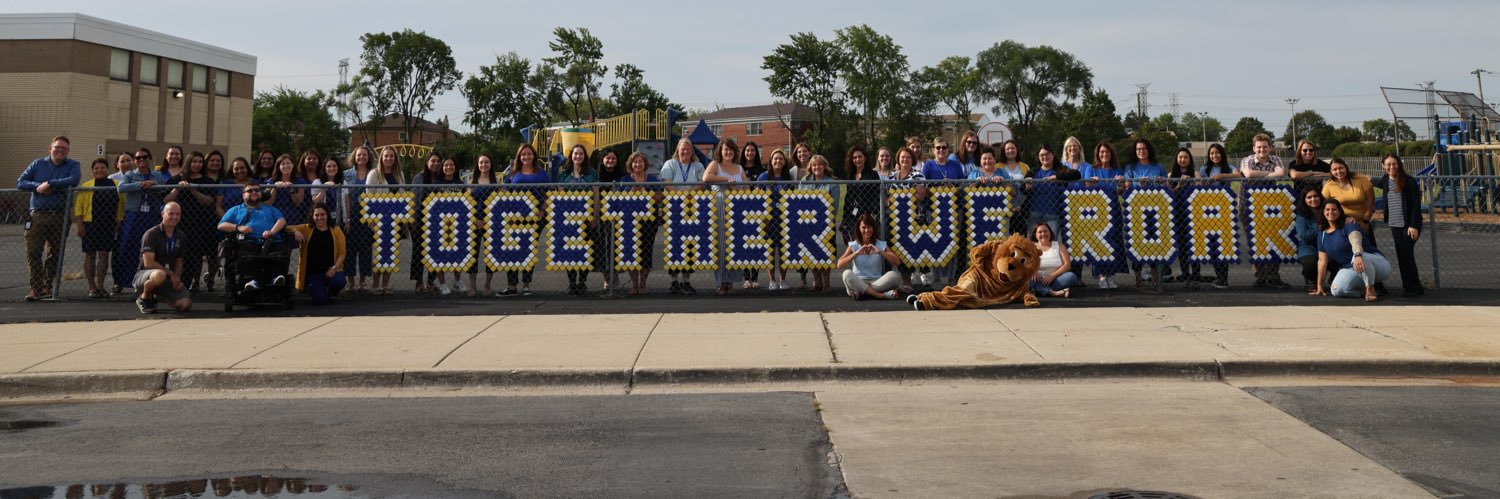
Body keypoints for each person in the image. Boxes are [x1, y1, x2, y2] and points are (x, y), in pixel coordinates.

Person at [17, 136, 82, 301]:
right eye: (57, 147)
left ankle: (47, 286)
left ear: (68, 151)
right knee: (33, 251)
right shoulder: (38, 164)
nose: (60, 150)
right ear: (50, 148)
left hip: (60, 216)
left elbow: (73, 180)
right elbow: (21, 182)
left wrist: (50, 184)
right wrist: (38, 187)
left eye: (64, 148)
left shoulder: (73, 165)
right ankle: (36, 288)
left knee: (55, 253)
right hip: (37, 216)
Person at [116, 147, 170, 297]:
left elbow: (163, 191)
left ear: (149, 159)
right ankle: (130, 281)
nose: (141, 160)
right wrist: (140, 185)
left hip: (151, 214)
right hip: (134, 215)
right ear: (135, 161)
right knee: (129, 246)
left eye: (144, 157)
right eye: (138, 158)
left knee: (151, 248)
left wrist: (154, 185)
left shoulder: (157, 175)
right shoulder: (130, 174)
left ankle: (151, 280)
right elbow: (121, 188)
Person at [1239, 133, 1290, 289]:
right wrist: (1269, 174)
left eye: (1265, 147)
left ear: (1270, 148)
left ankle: (1273, 276)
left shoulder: (1276, 159)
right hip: (1249, 207)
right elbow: (1248, 174)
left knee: (1274, 239)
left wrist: (1261, 175)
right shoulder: (1247, 160)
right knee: (1255, 241)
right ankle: (1260, 276)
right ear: (1254, 148)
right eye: (1259, 147)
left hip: (1270, 207)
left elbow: (1281, 174)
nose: (1262, 150)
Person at [1313, 200, 1390, 302]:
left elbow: (1355, 240)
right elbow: (1322, 261)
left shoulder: (1349, 225)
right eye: (1327, 210)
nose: (1330, 212)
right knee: (1337, 290)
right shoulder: (1322, 234)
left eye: (1334, 209)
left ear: (1340, 212)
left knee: (1356, 257)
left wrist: (1358, 254)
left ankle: (1370, 288)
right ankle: (1363, 292)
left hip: (1377, 264)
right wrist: (1319, 285)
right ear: (1323, 212)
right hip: (1352, 268)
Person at [164, 151, 220, 292]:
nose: (197, 164)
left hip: (203, 224)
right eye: (194, 161)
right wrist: (178, 187)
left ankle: (199, 283)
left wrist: (194, 190)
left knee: (200, 255)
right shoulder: (175, 179)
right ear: (188, 162)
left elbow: (209, 202)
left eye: (200, 162)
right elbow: (165, 200)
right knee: (181, 256)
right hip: (181, 224)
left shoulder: (208, 181)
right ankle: (180, 284)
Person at [217, 183, 289, 292]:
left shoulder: (271, 209)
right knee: (246, 251)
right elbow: (221, 225)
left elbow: (282, 220)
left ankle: (275, 279)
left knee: (278, 250)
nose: (254, 192)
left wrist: (271, 232)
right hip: (248, 241)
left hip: (271, 240)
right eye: (250, 191)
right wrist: (239, 227)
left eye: (257, 190)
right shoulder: (235, 210)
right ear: (243, 195)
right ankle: (251, 281)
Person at [500, 143, 550, 296]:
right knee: (512, 249)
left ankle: (526, 285)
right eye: (523, 154)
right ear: (519, 157)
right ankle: (512, 285)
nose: (526, 157)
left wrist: (542, 209)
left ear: (534, 156)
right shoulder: (512, 174)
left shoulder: (541, 174)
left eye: (529, 154)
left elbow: (549, 193)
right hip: (515, 218)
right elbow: (504, 193)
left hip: (536, 218)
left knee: (529, 249)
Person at [1373, 154, 1424, 297]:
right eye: (1388, 164)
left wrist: (1413, 224)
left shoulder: (1409, 181)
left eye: (1394, 164)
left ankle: (1413, 288)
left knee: (1407, 256)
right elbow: (1370, 180)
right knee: (1402, 256)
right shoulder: (1384, 180)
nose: (1391, 167)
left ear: (1399, 164)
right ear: (1383, 165)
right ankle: (1412, 287)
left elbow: (1415, 204)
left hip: (1409, 225)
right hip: (1395, 225)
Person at [659, 137, 706, 295]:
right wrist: (685, 194)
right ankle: (674, 280)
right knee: (674, 244)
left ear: (692, 150)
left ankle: (686, 280)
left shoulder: (698, 165)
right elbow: (667, 183)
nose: (685, 151)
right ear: (677, 150)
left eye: (688, 148)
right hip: (674, 210)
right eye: (682, 149)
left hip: (693, 211)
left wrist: (684, 194)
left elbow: (702, 184)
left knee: (690, 245)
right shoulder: (670, 164)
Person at [73, 158, 123, 299]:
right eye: (96, 168)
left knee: (104, 255)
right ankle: (92, 287)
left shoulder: (116, 185)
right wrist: (80, 225)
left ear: (108, 170)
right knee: (90, 255)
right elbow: (78, 208)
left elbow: (120, 206)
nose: (99, 170)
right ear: (92, 170)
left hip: (108, 225)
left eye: (102, 168)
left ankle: (101, 286)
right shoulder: (86, 186)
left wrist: (118, 222)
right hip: (90, 225)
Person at [704, 138, 747, 295]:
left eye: (730, 149)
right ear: (720, 152)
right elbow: (706, 177)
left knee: (734, 248)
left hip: (736, 212)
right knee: (720, 248)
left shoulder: (739, 168)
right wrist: (725, 180)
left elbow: (747, 187)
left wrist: (738, 188)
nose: (728, 152)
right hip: (720, 213)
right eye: (725, 149)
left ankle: (731, 282)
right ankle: (721, 282)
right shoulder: (715, 165)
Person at [1124, 138, 1167, 292]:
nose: (1141, 151)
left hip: (1155, 212)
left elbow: (1166, 187)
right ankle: (1138, 279)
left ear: (1149, 150)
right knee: (1137, 244)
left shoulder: (1158, 167)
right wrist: (1138, 185)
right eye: (1138, 149)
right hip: (1136, 212)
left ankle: (1155, 278)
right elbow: (1126, 188)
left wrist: (1162, 183)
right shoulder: (1131, 168)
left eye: (1143, 148)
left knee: (1154, 244)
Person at [134, 202, 193, 313]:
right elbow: (148, 263)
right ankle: (144, 298)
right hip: (146, 275)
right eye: (171, 213)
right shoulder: (151, 234)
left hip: (167, 279)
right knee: (159, 275)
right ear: (162, 214)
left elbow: (179, 262)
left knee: (185, 304)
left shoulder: (181, 236)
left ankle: (158, 296)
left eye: (178, 214)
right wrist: (171, 274)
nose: (175, 217)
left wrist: (177, 279)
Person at [363, 146, 405, 295]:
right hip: (378, 221)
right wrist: (373, 220)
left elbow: (402, 196)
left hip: (394, 221)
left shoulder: (399, 174)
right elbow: (368, 197)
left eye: (391, 156)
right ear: (381, 157)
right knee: (379, 254)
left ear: (395, 158)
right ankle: (375, 285)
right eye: (386, 156)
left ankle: (385, 285)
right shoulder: (374, 174)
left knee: (391, 254)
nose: (389, 159)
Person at [1198, 143, 1239, 289]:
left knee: (1224, 244)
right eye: (1212, 153)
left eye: (1217, 153)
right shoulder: (1204, 169)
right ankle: (1219, 276)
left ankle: (1223, 278)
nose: (1214, 156)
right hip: (1209, 212)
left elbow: (1238, 175)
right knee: (1213, 244)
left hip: (1225, 212)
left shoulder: (1229, 168)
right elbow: (1200, 183)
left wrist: (1222, 175)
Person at [287, 204, 346, 305]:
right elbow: (286, 227)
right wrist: (295, 231)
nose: (320, 218)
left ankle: (333, 292)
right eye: (316, 215)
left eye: (322, 214)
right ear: (312, 216)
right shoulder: (307, 228)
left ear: (327, 215)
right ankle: (319, 289)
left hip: (331, 270)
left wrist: (334, 268)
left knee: (338, 281)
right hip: (314, 273)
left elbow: (342, 253)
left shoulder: (336, 230)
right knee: (319, 301)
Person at [620, 151, 662, 295]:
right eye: (635, 162)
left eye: (640, 162)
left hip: (649, 222)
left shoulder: (653, 180)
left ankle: (643, 284)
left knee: (646, 251)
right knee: (631, 252)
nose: (638, 164)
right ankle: (634, 285)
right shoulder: (625, 180)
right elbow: (618, 200)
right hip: (628, 223)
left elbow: (660, 197)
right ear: (631, 164)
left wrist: (645, 192)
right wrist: (631, 192)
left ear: (645, 164)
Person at [559, 144, 598, 296]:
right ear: (571, 156)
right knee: (570, 251)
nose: (578, 156)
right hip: (570, 219)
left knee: (585, 250)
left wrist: (595, 215)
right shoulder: (564, 174)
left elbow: (596, 194)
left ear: (584, 156)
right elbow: (561, 195)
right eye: (576, 154)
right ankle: (571, 282)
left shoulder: (591, 173)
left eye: (581, 154)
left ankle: (582, 281)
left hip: (586, 218)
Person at [1086, 141, 1126, 290]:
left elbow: (1120, 192)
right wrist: (1091, 183)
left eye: (1107, 152)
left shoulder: (1116, 170)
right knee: (1099, 242)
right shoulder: (1092, 169)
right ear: (1098, 154)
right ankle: (1101, 276)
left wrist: (1121, 184)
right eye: (1102, 152)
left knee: (1113, 242)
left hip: (1114, 210)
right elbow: (1087, 187)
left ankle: (1110, 275)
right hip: (1097, 212)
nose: (1104, 154)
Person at [799, 154, 839, 293]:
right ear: (811, 167)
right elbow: (800, 202)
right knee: (812, 253)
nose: (817, 167)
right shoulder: (805, 181)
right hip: (808, 224)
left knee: (826, 253)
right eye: (814, 165)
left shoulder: (832, 182)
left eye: (820, 164)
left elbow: (834, 205)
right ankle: (817, 282)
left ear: (825, 166)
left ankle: (826, 283)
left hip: (826, 224)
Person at [837, 213, 901, 300]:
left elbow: (897, 261)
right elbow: (840, 265)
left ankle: (863, 293)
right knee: (846, 274)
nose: (867, 230)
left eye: (869, 227)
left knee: (893, 275)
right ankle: (879, 295)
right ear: (859, 228)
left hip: (876, 282)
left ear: (873, 228)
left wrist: (880, 252)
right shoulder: (853, 245)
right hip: (858, 281)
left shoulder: (880, 244)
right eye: (864, 227)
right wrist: (856, 253)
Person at [888, 147, 926, 293]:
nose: (905, 160)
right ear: (898, 159)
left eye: (908, 158)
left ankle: (908, 280)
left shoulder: (918, 175)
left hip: (913, 218)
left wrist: (899, 199)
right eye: (903, 157)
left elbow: (921, 195)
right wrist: (904, 197)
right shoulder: (892, 176)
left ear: (912, 160)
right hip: (894, 218)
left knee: (908, 248)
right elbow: (886, 197)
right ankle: (894, 279)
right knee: (895, 247)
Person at [341, 146, 376, 293]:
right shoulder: (346, 174)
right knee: (349, 251)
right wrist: (347, 219)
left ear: (369, 158)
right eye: (359, 155)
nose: (361, 157)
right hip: (351, 217)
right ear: (354, 157)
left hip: (368, 218)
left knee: (365, 251)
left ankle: (362, 281)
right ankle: (350, 282)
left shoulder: (373, 174)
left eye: (364, 155)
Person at [467, 153, 502, 296]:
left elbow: (499, 204)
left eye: (486, 162)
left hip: (490, 224)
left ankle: (487, 285)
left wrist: (489, 220)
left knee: (490, 255)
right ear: (478, 165)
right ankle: (473, 287)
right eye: (481, 162)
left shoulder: (496, 182)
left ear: (490, 164)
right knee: (472, 255)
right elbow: (468, 204)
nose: (484, 165)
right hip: (474, 223)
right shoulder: (471, 181)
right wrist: (475, 219)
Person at [409, 152, 443, 293]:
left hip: (437, 222)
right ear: (427, 162)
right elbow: (415, 199)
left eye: (438, 161)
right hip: (419, 221)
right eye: (432, 161)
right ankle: (418, 282)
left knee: (435, 252)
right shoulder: (420, 177)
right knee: (418, 252)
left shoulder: (441, 178)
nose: (435, 163)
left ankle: (430, 281)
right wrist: (414, 219)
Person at [1165, 147, 1199, 285]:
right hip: (1177, 213)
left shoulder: (1195, 172)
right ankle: (1185, 273)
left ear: (1190, 159)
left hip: (1193, 213)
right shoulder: (1170, 175)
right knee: (1182, 245)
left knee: (1195, 244)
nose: (1183, 160)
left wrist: (1192, 181)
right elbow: (1169, 194)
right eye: (1180, 157)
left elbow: (1200, 187)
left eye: (1185, 157)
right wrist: (1179, 185)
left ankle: (1196, 274)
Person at [594, 148, 624, 295]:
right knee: (602, 246)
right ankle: (606, 277)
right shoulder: (597, 176)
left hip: (618, 217)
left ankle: (615, 275)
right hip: (602, 217)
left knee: (615, 247)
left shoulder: (622, 176)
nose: (610, 161)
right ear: (603, 160)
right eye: (608, 158)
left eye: (613, 158)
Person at [842, 145, 880, 260]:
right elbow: (848, 197)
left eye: (860, 157)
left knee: (867, 243)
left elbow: (876, 195)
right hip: (852, 215)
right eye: (854, 158)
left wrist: (873, 213)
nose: (857, 160)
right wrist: (845, 217)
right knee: (855, 244)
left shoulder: (873, 175)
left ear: (865, 158)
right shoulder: (851, 175)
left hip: (867, 214)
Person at [1321, 158, 1375, 230]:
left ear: (1346, 168)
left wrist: (1365, 221)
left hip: (1363, 221)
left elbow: (1371, 201)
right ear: (1331, 171)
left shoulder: (1361, 179)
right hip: (1343, 223)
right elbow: (1324, 206)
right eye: (1335, 169)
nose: (1338, 171)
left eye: (1341, 168)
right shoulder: (1328, 186)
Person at [740, 142, 766, 289]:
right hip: (741, 210)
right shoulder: (739, 168)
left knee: (756, 245)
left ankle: (755, 278)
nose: (750, 153)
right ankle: (746, 278)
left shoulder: (761, 170)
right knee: (744, 245)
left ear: (756, 153)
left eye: (752, 150)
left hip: (756, 211)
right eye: (747, 150)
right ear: (744, 152)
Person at [1029, 222, 1078, 298]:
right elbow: (1025, 264)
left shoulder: (1059, 246)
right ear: (1035, 234)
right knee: (1028, 278)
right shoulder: (1031, 247)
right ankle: (1053, 293)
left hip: (1056, 280)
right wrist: (1033, 271)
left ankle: (1041, 291)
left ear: (1050, 232)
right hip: (1037, 280)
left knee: (1071, 276)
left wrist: (1052, 276)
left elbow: (1067, 265)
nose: (1043, 234)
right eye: (1040, 232)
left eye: (1045, 231)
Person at [1293, 187, 1326, 292]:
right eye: (1309, 197)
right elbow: (1305, 237)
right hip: (1309, 246)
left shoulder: (1328, 210)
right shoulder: (1301, 216)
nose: (1313, 199)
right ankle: (1311, 279)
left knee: (1336, 260)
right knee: (1309, 262)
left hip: (1327, 245)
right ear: (1304, 200)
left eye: (1315, 196)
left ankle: (1334, 279)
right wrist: (1319, 226)